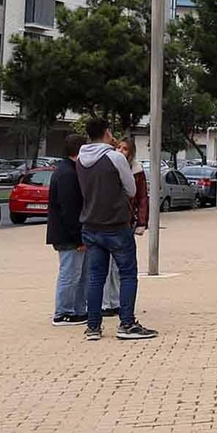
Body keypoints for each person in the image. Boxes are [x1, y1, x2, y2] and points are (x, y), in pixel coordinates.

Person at [78, 118, 157, 340]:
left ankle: (93, 327)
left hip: (90, 224)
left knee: (96, 277)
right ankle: (127, 324)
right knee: (128, 274)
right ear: (107, 132)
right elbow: (131, 190)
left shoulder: (81, 158)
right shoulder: (115, 157)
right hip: (116, 225)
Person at [99, 136, 149, 321]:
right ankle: (106, 302)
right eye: (118, 147)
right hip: (108, 220)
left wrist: (142, 222)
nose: (120, 151)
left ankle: (118, 301)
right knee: (105, 265)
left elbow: (142, 197)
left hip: (125, 222)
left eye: (125, 148)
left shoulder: (137, 170)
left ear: (131, 153)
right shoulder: (108, 166)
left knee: (120, 266)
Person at [46, 134, 89, 326]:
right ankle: (63, 312)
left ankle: (78, 310)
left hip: (71, 234)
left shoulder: (69, 170)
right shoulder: (67, 174)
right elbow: (69, 209)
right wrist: (79, 238)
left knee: (79, 274)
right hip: (68, 235)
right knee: (70, 274)